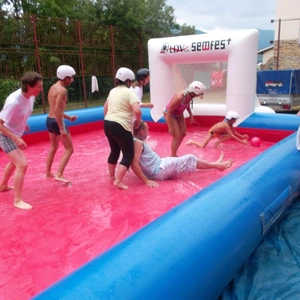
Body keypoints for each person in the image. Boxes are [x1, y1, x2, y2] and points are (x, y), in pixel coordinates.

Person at [131, 121, 233, 187]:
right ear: (141, 131)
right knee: (190, 158)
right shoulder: (138, 143)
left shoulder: (134, 141)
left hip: (158, 167)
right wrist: (146, 181)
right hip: (159, 170)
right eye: (147, 129)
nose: (148, 131)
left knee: (184, 163)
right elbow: (134, 164)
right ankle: (218, 166)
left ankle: (214, 165)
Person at [0, 71, 43, 209]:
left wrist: (23, 124)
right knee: (22, 164)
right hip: (5, 134)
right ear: (29, 86)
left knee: (14, 162)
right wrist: (15, 138)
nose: (41, 90)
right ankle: (17, 200)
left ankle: (3, 185)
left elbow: (22, 113)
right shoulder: (13, 101)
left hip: (15, 132)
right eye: (39, 87)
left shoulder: (30, 97)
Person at [104, 67, 142, 190]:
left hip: (108, 123)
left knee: (114, 151)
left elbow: (105, 107)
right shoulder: (129, 92)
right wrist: (138, 121)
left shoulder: (113, 91)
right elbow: (137, 110)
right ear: (128, 81)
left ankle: (111, 176)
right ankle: (118, 181)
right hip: (120, 125)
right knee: (128, 154)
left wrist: (109, 119)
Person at [45, 65, 78, 184]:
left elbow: (54, 109)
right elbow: (58, 110)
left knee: (53, 147)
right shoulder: (63, 90)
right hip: (56, 122)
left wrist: (69, 117)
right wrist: (61, 128)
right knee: (69, 149)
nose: (73, 80)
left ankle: (48, 173)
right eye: (71, 78)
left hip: (49, 120)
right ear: (66, 77)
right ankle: (59, 174)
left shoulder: (53, 87)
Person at [163, 81, 205, 157]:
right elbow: (169, 111)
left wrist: (190, 115)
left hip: (178, 114)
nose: (199, 96)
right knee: (176, 135)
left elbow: (187, 104)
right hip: (170, 114)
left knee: (183, 134)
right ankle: (173, 155)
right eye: (199, 94)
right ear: (194, 93)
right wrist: (170, 127)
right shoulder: (180, 97)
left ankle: (174, 152)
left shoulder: (189, 95)